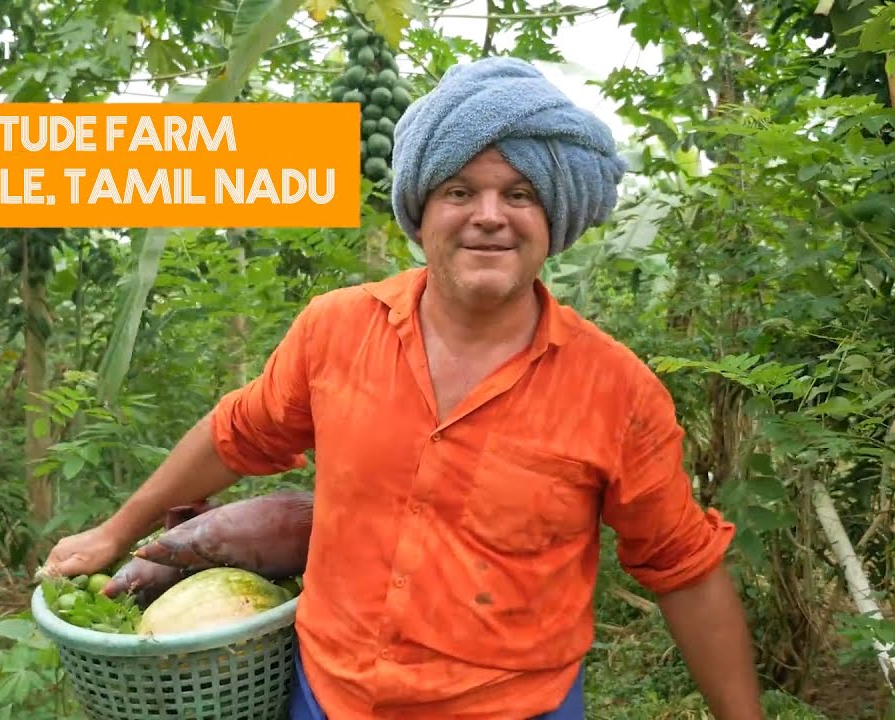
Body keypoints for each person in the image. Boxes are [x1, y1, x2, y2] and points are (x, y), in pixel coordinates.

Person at [42, 56, 765, 720]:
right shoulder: (337, 330)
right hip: (331, 696)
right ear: (422, 210)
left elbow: (684, 571)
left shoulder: (616, 391)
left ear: (555, 217)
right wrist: (115, 530)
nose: (488, 215)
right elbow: (239, 435)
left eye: (519, 193)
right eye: (460, 190)